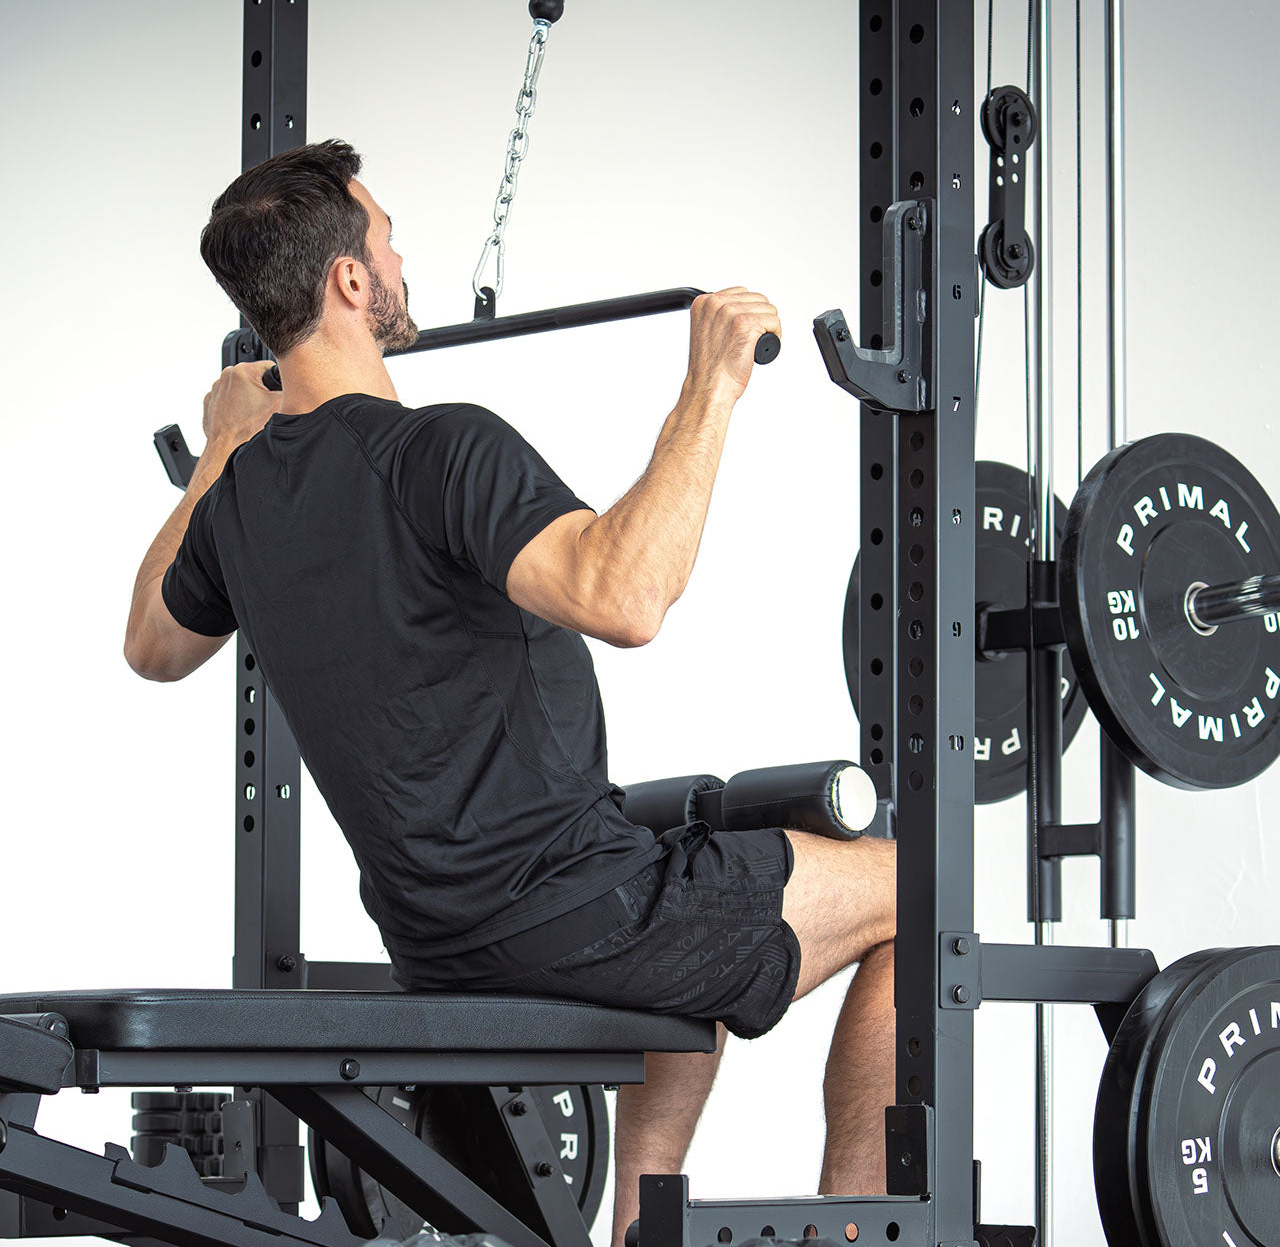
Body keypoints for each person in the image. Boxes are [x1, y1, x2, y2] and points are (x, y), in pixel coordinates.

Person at [124, 140, 897, 1243]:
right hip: (574, 910)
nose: (400, 253)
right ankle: (863, 1229)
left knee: (698, 890)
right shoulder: (441, 450)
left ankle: (640, 1222)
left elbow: (153, 640)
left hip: (442, 933)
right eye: (384, 235)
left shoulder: (244, 497)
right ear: (350, 281)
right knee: (918, 892)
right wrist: (711, 383)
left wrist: (221, 445)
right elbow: (625, 595)